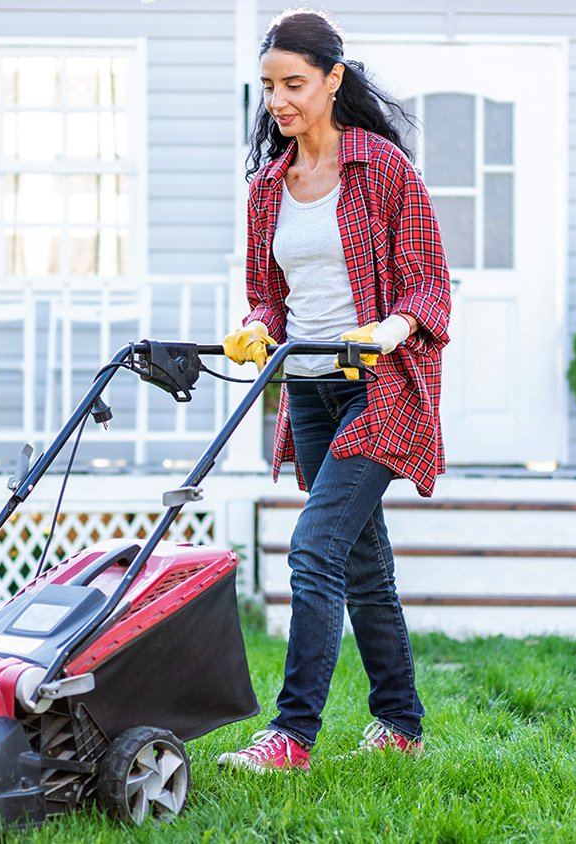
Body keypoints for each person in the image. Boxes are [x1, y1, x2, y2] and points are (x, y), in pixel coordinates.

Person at [216, 9, 451, 772]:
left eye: (294, 84)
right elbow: (267, 293)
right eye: (268, 87)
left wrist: (394, 326)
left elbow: (431, 285)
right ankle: (401, 725)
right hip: (309, 390)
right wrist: (257, 325)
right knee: (360, 564)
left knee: (314, 549)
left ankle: (292, 737)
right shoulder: (268, 188)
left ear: (332, 80)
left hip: (378, 386)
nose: (278, 101)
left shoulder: (381, 168)